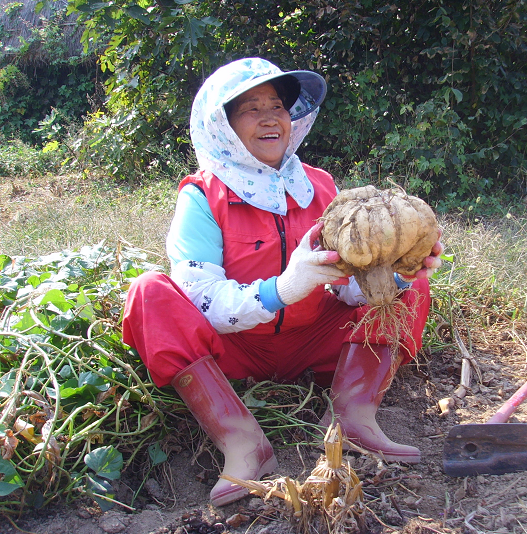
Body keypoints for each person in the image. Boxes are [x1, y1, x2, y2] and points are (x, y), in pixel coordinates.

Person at [122, 57, 443, 507]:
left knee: (412, 286)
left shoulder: (320, 187)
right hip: (232, 348)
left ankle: (356, 417)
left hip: (314, 340)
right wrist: (285, 287)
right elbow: (203, 300)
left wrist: (395, 274)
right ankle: (242, 445)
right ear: (224, 126)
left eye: (277, 105)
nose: (271, 117)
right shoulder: (201, 195)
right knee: (148, 291)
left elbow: (349, 287)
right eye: (251, 108)